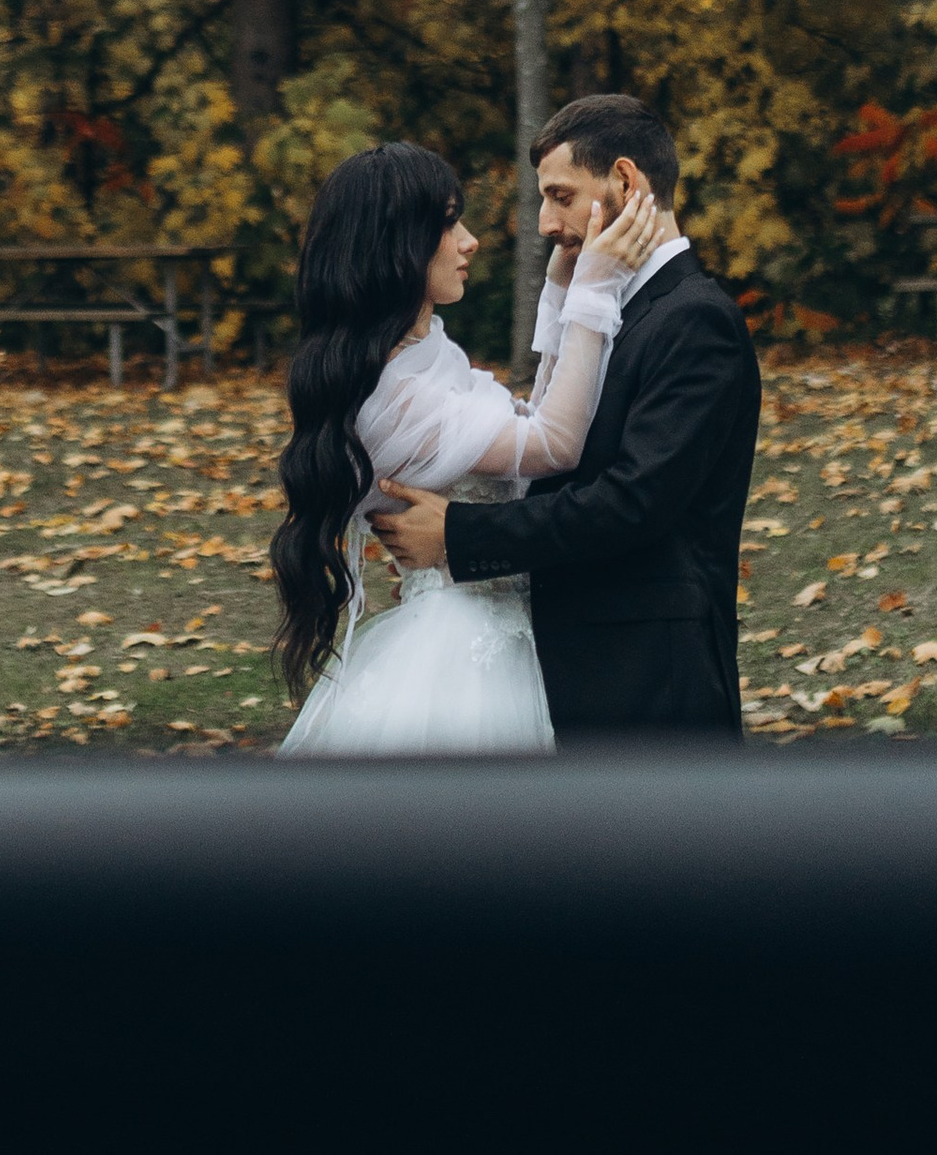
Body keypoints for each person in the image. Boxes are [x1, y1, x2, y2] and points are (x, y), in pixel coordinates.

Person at [367, 94, 760, 737]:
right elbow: (547, 436)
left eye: (561, 196)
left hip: (650, 679)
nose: (546, 222)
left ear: (626, 182)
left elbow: (635, 502)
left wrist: (463, 537)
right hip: (570, 666)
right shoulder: (616, 308)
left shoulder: (695, 318)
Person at [271, 139, 662, 757]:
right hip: (460, 656)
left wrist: (560, 297)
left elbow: (528, 422)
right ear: (393, 245)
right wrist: (594, 290)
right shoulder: (394, 392)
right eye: (446, 224)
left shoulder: (421, 357)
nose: (470, 240)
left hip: (502, 629)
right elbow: (555, 443)